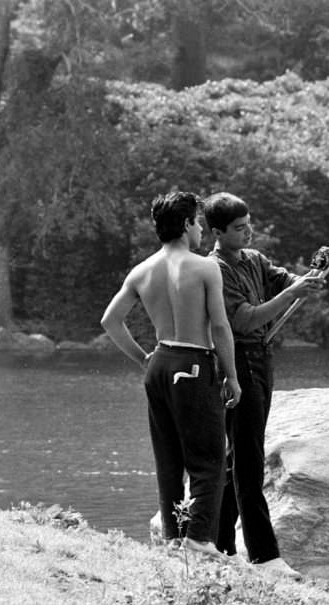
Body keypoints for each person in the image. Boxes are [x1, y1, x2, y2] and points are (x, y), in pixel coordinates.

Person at [101, 190, 241, 558]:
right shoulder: (205, 266)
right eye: (198, 222)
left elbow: (110, 321)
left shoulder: (141, 270)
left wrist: (144, 359)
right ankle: (198, 538)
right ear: (186, 224)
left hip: (160, 363)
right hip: (194, 363)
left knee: (168, 459)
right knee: (210, 458)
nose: (201, 230)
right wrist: (233, 377)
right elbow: (222, 328)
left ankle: (174, 537)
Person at [203, 191, 324, 579]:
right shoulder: (214, 269)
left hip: (262, 360)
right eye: (239, 229)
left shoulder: (255, 260)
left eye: (249, 223)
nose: (248, 232)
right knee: (249, 461)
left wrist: (315, 272)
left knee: (237, 457)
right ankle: (264, 557)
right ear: (217, 232)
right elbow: (244, 321)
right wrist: (291, 293)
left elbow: (291, 284)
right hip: (237, 362)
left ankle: (219, 543)